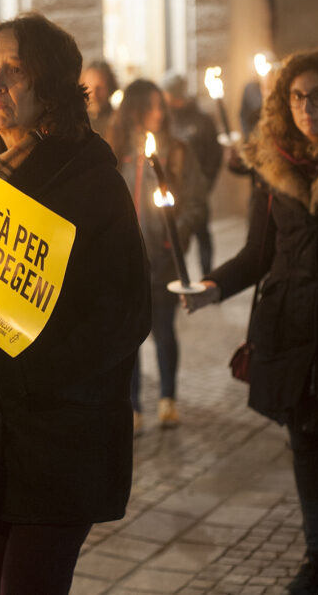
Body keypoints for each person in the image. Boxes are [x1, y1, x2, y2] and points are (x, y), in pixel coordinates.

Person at [0, 13, 150, 593]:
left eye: (14, 71)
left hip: (59, 443)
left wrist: (13, 350)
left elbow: (124, 319)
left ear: (51, 87)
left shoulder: (92, 183)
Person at [184, 51, 318, 595]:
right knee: (304, 447)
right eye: (297, 96)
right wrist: (209, 288)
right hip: (290, 333)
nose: (307, 106)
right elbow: (258, 253)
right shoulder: (274, 168)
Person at [106, 79, 204, 433]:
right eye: (150, 106)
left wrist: (174, 232)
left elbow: (195, 201)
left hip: (162, 261)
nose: (159, 113)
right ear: (133, 111)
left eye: (161, 105)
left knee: (163, 331)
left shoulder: (177, 152)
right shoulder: (113, 152)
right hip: (123, 264)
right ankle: (132, 405)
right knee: (128, 336)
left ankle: (168, 399)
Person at [162, 72, 222, 275]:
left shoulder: (202, 120)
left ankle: (208, 276)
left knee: (202, 232)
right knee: (179, 234)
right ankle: (179, 275)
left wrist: (205, 182)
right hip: (175, 193)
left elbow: (214, 154)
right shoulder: (166, 119)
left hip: (198, 189)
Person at [80, 59, 119, 138]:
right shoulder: (76, 122)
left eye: (100, 87)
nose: (94, 93)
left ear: (110, 87)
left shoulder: (118, 122)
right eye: (89, 86)